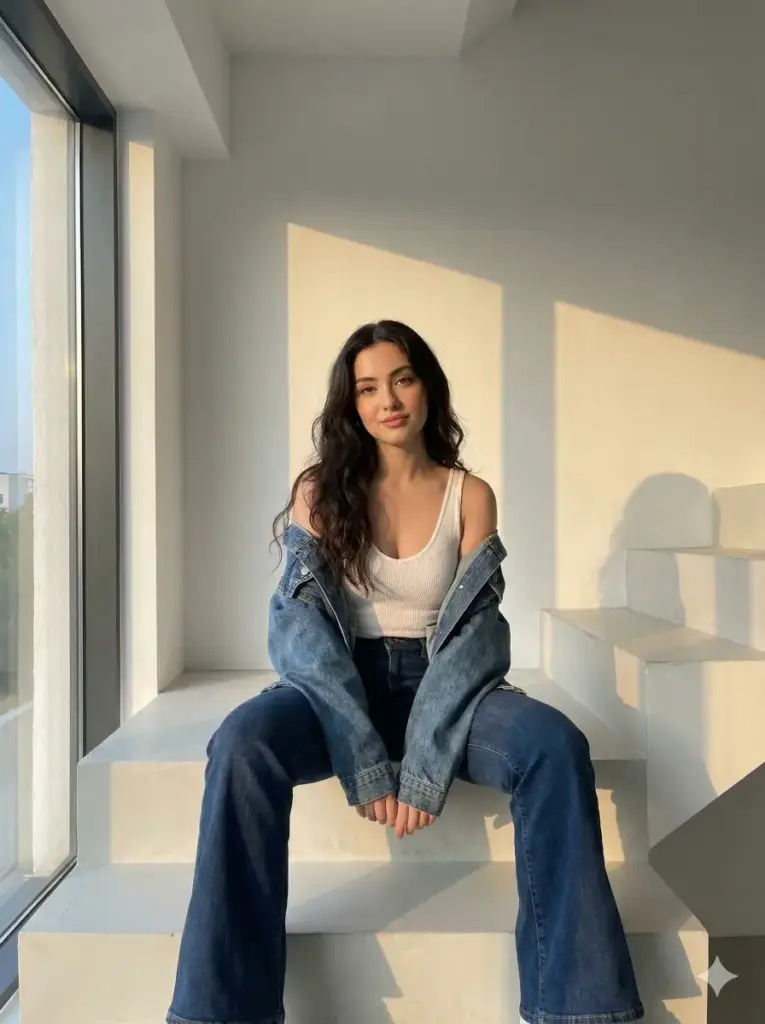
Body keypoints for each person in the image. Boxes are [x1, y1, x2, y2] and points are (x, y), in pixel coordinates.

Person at [166, 320, 645, 1024]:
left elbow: (475, 639)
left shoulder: (469, 495)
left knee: (554, 744)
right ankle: (222, 1012)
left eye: (402, 379)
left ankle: (578, 1009)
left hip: (448, 684)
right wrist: (364, 758)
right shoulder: (318, 492)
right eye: (367, 388)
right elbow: (302, 637)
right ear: (351, 404)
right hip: (337, 684)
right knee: (241, 743)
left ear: (428, 388)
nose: (387, 400)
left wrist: (423, 760)